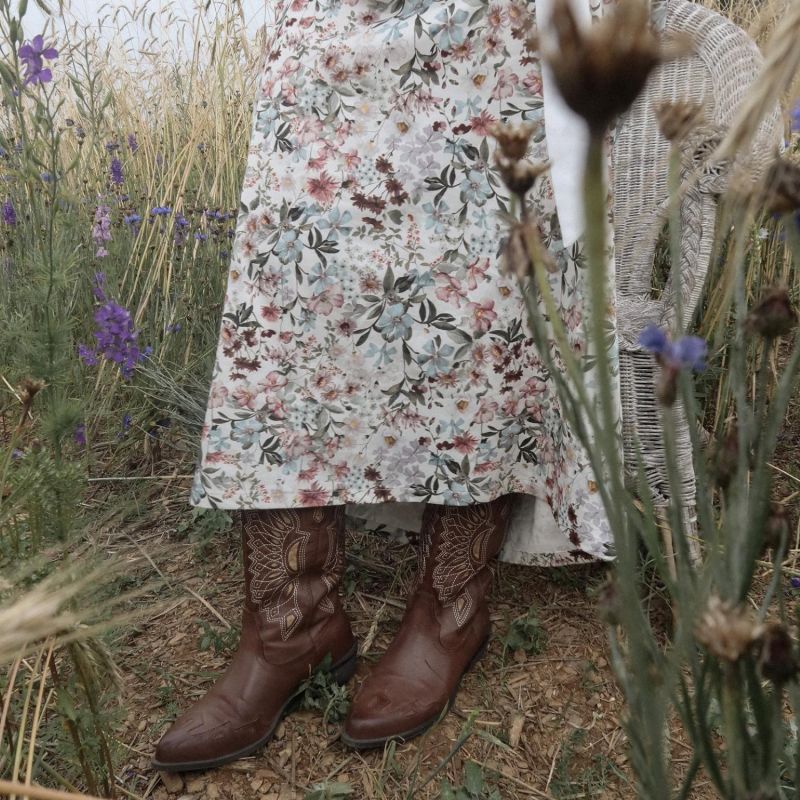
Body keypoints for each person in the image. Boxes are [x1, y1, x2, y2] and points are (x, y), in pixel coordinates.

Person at [152, 0, 617, 772]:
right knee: (289, 299)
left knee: (476, 290)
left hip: (486, 29)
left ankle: (451, 610)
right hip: (329, 18)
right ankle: (291, 625)